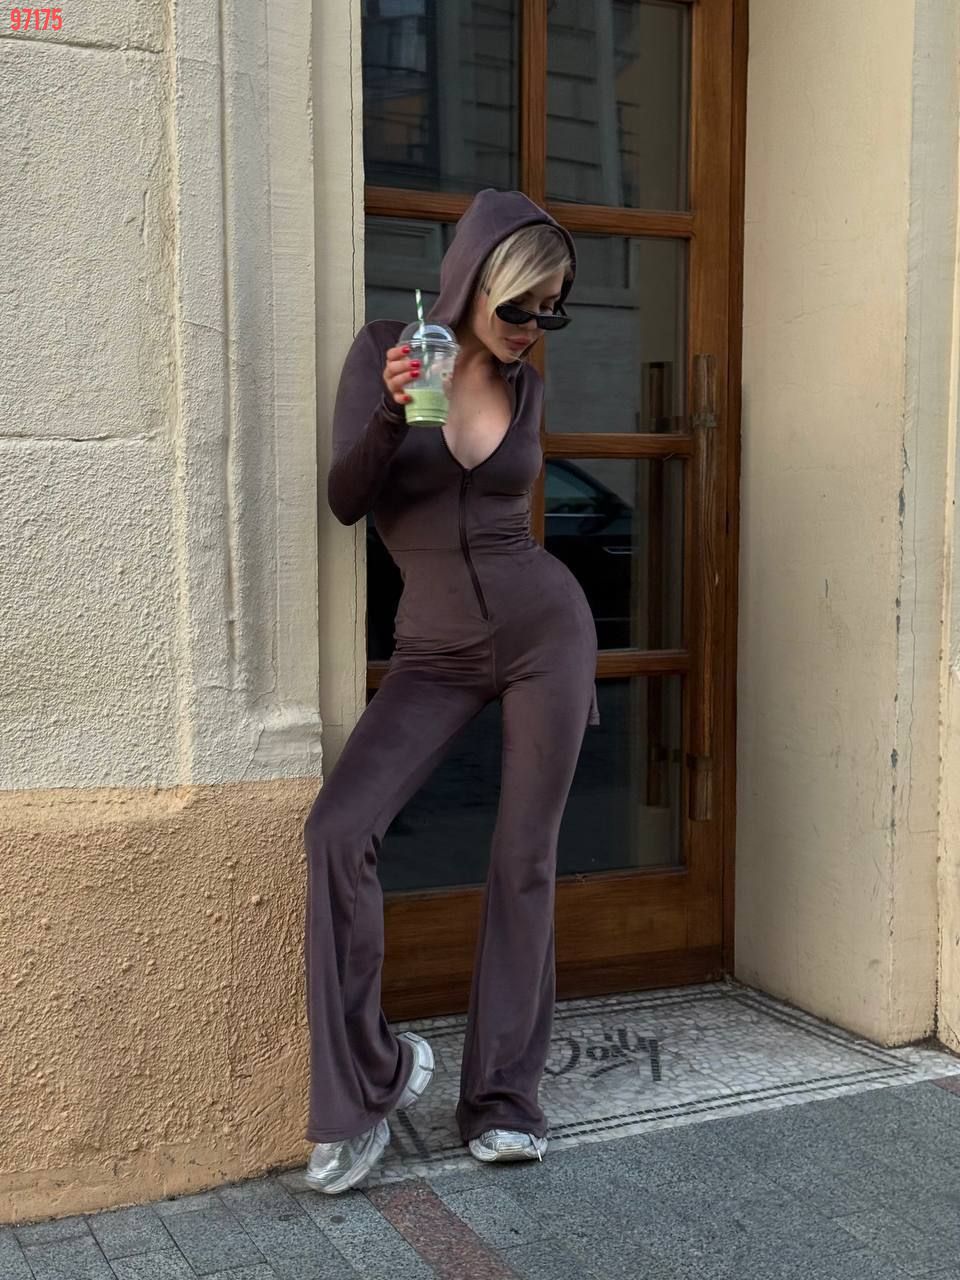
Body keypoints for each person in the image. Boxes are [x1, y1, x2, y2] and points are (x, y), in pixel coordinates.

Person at [302, 189, 600, 1195]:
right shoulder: (394, 352)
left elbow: (504, 515)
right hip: (431, 652)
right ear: (473, 283)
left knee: (524, 857)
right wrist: (393, 408)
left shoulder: (527, 389)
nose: (532, 329)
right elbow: (347, 499)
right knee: (338, 830)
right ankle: (368, 1084)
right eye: (520, 308)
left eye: (552, 312)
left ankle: (504, 1098)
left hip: (545, 633)